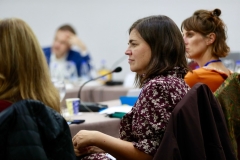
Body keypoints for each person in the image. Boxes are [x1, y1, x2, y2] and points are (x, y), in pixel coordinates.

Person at [72, 15, 190, 160]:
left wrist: (97, 137)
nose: (127, 51)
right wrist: (102, 146)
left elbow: (149, 156)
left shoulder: (157, 87)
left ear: (157, 47)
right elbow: (152, 145)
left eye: (134, 44)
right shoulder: (176, 81)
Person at [0, 18, 75, 159]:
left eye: (63, 42)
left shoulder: (5, 112)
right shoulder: (49, 108)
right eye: (56, 40)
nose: (58, 45)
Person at [182, 8, 231, 92]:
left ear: (210, 38)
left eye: (190, 35)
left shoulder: (195, 77)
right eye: (183, 35)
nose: (183, 41)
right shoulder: (231, 75)